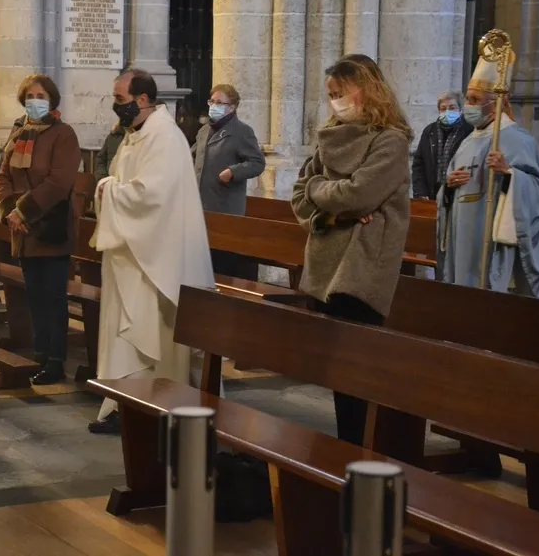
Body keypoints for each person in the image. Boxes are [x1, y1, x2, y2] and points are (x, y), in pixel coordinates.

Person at [290, 54, 411, 446]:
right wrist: (330, 213)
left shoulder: (390, 140)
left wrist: (321, 191)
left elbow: (359, 194)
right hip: (326, 263)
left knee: (356, 375)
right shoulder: (330, 136)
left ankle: (361, 455)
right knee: (338, 375)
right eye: (330, 95)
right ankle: (348, 452)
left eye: (341, 92)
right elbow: (299, 196)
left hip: (363, 266)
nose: (335, 102)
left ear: (367, 89)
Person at [88, 69, 215, 435]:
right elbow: (122, 182)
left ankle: (151, 404)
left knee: (150, 334)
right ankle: (123, 404)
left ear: (142, 99)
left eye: (120, 99)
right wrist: (109, 187)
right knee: (124, 336)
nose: (116, 106)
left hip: (156, 259)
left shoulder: (165, 138)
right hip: (130, 254)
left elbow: (150, 196)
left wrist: (107, 189)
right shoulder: (134, 136)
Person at [437, 50, 539, 300]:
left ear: (497, 102)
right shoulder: (467, 142)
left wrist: (510, 174)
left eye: (475, 99)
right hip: (463, 234)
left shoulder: (518, 140)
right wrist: (448, 186)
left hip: (491, 237)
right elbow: (448, 187)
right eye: (468, 98)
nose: (469, 105)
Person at [0, 74, 81, 385]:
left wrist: (23, 211)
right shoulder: (20, 133)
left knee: (54, 297)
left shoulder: (63, 134)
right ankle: (40, 356)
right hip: (23, 231)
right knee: (34, 297)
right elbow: (4, 176)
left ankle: (55, 361)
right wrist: (10, 213)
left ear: (52, 100)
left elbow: (59, 182)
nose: (35, 101)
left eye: (41, 96)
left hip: (51, 227)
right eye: (30, 96)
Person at [192, 83, 266, 278]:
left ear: (232, 107)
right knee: (201, 265)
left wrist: (233, 172)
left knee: (221, 265)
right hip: (200, 207)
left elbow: (257, 163)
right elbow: (193, 156)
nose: (213, 106)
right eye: (211, 101)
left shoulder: (242, 131)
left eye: (219, 103)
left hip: (224, 207)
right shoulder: (204, 131)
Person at [411, 91, 474, 199]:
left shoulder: (469, 130)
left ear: (460, 109)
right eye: (443, 108)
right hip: (431, 194)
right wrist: (420, 192)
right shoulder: (430, 131)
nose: (447, 112)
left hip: (457, 192)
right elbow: (419, 164)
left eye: (452, 108)